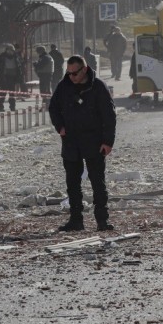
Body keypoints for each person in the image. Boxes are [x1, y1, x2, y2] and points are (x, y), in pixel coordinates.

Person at [48, 55, 116, 232]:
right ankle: (76, 220)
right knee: (72, 184)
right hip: (71, 142)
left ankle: (102, 220)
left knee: (97, 183)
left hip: (94, 142)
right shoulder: (64, 86)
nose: (71, 77)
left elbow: (109, 115)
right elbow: (53, 107)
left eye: (75, 73)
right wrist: (60, 127)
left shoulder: (98, 87)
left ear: (84, 70)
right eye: (68, 73)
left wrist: (108, 141)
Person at [0, 43, 24, 112]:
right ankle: (1, 107)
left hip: (13, 77)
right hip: (4, 77)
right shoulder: (2, 56)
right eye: (10, 50)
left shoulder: (16, 56)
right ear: (7, 50)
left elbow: (20, 66)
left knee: (12, 93)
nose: (11, 52)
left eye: (12, 50)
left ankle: (12, 107)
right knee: (3, 92)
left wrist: (20, 75)